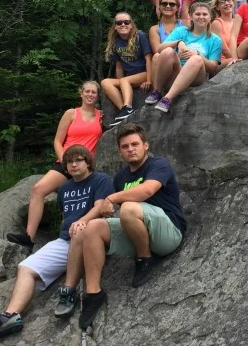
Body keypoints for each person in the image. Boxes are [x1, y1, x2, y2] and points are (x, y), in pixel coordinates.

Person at [0, 145, 113, 339]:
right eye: (69, 162)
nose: (73, 164)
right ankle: (11, 316)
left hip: (93, 236)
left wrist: (83, 221)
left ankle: (68, 292)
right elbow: (66, 215)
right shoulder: (65, 188)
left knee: (79, 232)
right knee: (26, 267)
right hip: (66, 239)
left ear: (88, 162)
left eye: (78, 160)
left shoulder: (101, 180)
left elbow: (101, 207)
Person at [69, 124, 186, 330]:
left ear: (145, 146)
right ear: (120, 151)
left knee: (129, 208)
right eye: (125, 146)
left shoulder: (159, 165)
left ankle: (144, 260)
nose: (131, 149)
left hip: (168, 232)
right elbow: (110, 211)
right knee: (93, 228)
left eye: (135, 144)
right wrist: (89, 219)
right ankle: (94, 293)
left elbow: (147, 190)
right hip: (138, 231)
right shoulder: (121, 177)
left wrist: (112, 198)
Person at [7, 81, 104, 252]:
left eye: (94, 92)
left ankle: (70, 240)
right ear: (80, 93)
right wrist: (64, 161)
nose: (90, 95)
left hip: (86, 166)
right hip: (65, 163)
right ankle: (29, 238)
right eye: (87, 91)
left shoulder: (100, 116)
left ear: (97, 96)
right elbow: (58, 141)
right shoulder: (71, 114)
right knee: (38, 189)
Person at [143, 2, 222, 113]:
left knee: (196, 59)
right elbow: (160, 49)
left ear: (210, 17)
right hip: (177, 72)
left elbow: (213, 67)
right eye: (197, 14)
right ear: (191, 16)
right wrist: (178, 42)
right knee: (166, 52)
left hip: (197, 76)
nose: (201, 17)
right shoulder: (181, 31)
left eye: (204, 14)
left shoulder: (215, 40)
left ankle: (168, 99)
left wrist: (197, 54)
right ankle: (157, 91)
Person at [101, 12, 152, 127]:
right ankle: (125, 110)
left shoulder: (140, 36)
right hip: (128, 78)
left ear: (131, 25)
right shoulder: (115, 41)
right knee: (105, 82)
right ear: (115, 26)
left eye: (126, 22)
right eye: (119, 23)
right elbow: (118, 65)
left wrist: (149, 80)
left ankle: (127, 108)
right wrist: (120, 85)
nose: (123, 24)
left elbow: (149, 59)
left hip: (143, 73)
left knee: (124, 80)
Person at [209, 0, 234, 72]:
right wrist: (239, 59)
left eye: (229, 0)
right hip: (220, 62)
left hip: (235, 58)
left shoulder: (237, 22)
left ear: (233, 2)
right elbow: (224, 50)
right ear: (217, 7)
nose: (227, 3)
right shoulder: (217, 23)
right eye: (222, 2)